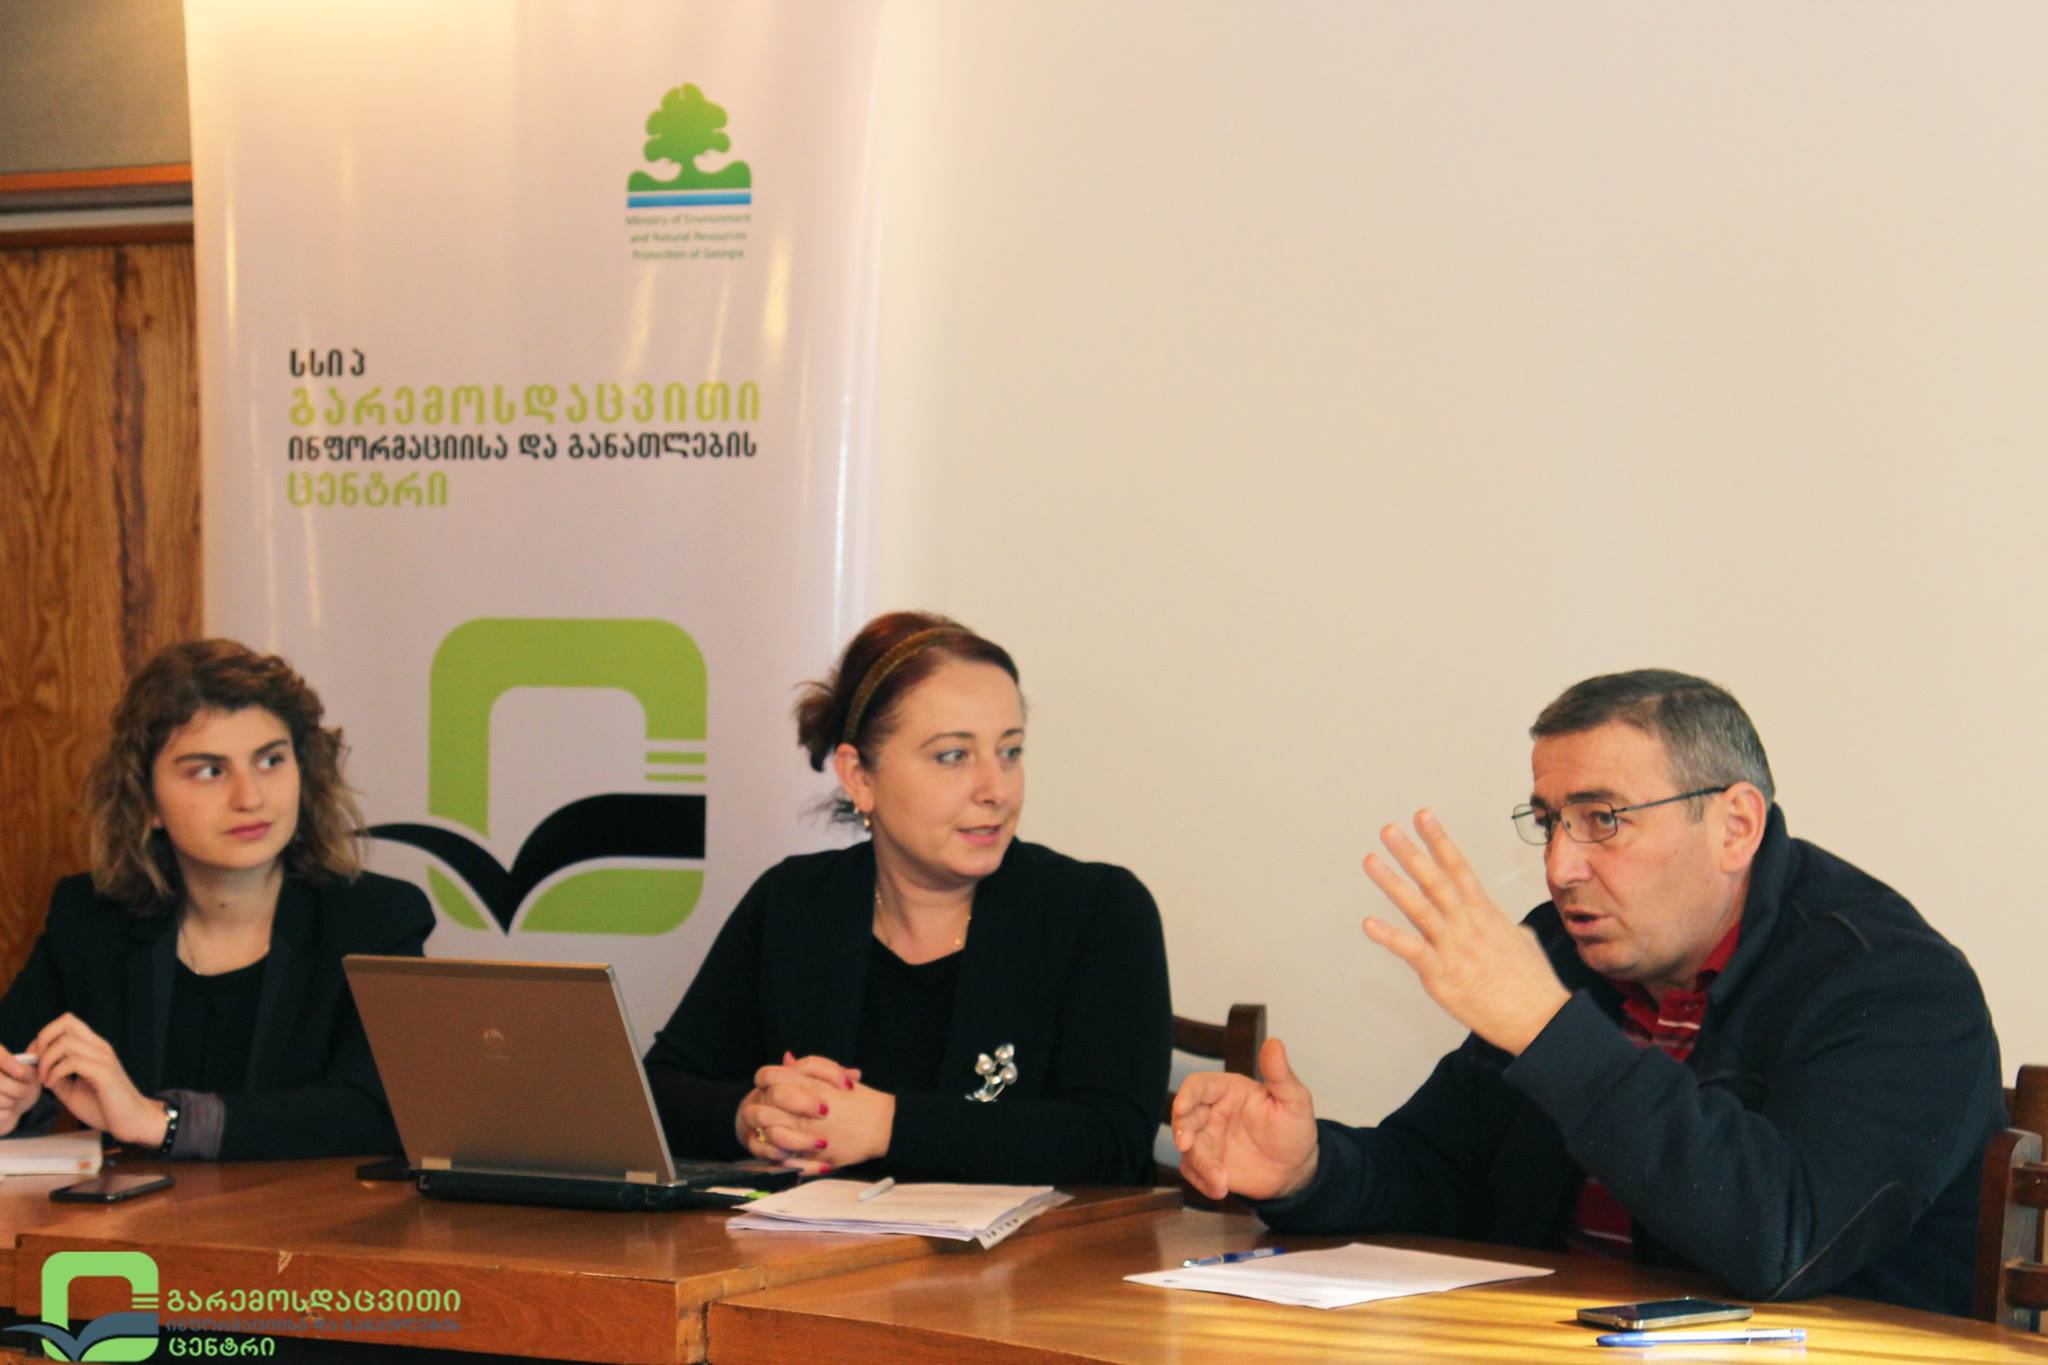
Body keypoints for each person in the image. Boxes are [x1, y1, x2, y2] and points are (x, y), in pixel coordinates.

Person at [1171, 670, 2001, 1315]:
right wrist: (1309, 1169)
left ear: (1736, 826)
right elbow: (1441, 1173)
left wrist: (1550, 1027)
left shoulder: (1894, 984)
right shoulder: (1567, 950)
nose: (1560, 865)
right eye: (1549, 820)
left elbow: (1782, 1243)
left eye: (1603, 819)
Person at [644, 611, 1171, 1183]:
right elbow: (657, 1091)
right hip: (814, 1241)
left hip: (1038, 1245)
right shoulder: (793, 902)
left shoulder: (1098, 910)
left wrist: (886, 1126)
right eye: (954, 756)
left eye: (1010, 752)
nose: (996, 789)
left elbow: (1114, 1137)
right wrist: (749, 1115)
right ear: (859, 777)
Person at [0, 640, 434, 1159]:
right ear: (146, 800)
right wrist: (15, 1104)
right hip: (140, 1213)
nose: (250, 797)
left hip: (311, 1211)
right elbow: (15, 1063)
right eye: (209, 770)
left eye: (270, 761)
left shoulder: (377, 920)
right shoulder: (90, 919)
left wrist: (163, 1122)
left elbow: (384, 1111)